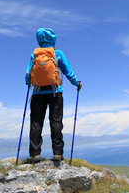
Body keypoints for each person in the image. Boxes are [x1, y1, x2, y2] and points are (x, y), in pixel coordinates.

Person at [25, 28, 82, 162]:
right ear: (53, 39)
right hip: (55, 92)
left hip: (38, 92)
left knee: (36, 122)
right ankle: (57, 153)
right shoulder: (58, 54)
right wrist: (76, 83)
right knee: (56, 121)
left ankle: (35, 154)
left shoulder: (35, 55)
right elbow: (68, 71)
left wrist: (29, 83)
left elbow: (28, 76)